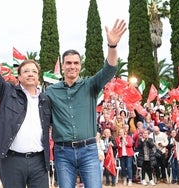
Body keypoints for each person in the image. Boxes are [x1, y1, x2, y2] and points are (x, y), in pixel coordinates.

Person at [45, 19, 127, 188]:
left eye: (76, 63)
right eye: (68, 63)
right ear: (62, 65)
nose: (72, 66)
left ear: (80, 65)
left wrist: (112, 46)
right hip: (62, 152)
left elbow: (110, 69)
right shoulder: (51, 92)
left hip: (88, 150)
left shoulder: (90, 85)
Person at [0, 28, 52, 188]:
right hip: (12, 161)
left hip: (39, 161)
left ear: (39, 76)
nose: (30, 74)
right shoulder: (8, 92)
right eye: (26, 71)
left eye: (34, 71)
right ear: (19, 77)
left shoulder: (46, 99)